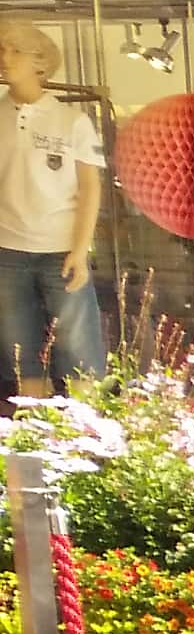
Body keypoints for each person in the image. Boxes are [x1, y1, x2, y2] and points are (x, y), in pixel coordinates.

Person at [0, 20, 103, 394]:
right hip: (7, 251)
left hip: (60, 250)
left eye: (15, 51)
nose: (5, 58)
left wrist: (80, 249)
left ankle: (89, 440)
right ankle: (34, 442)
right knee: (19, 353)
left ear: (40, 63)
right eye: (2, 50)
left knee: (80, 355)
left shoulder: (72, 121)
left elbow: (91, 187)